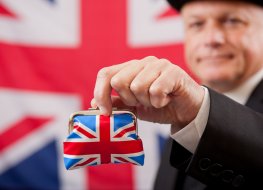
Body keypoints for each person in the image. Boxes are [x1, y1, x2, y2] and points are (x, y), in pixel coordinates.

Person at [91, 0, 263, 189]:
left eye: (232, 21)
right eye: (196, 24)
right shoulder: (183, 113)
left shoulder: (194, 110)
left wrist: (199, 111)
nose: (212, 38)